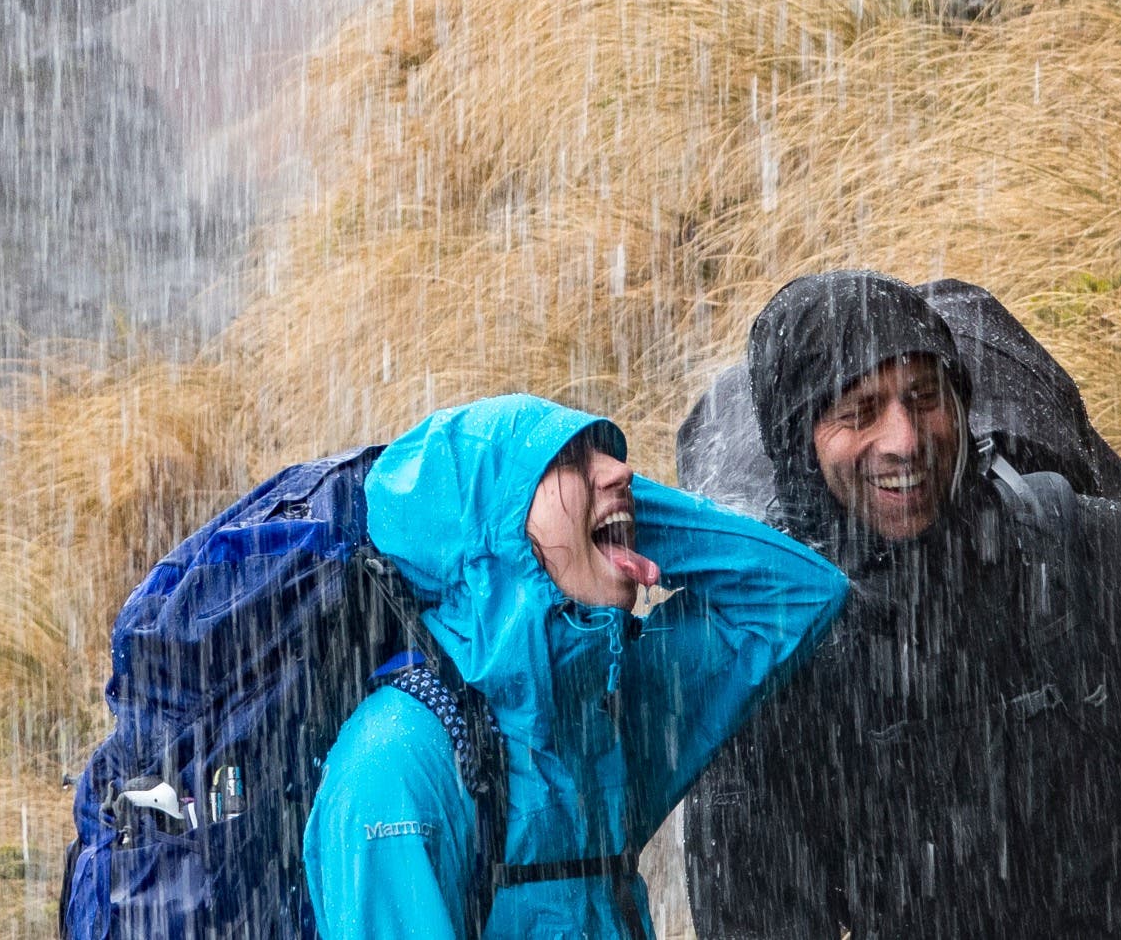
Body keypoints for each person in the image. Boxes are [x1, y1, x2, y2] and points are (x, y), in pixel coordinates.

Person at [683, 270, 1121, 939]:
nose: (905, 439)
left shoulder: (1110, 561)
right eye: (859, 411)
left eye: (925, 396)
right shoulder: (772, 659)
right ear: (799, 444)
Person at [303, 393, 849, 939]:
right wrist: (547, 533)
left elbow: (797, 594)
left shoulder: (601, 706)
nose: (622, 469)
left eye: (607, 457)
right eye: (569, 461)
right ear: (490, 527)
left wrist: (616, 521)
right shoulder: (395, 762)